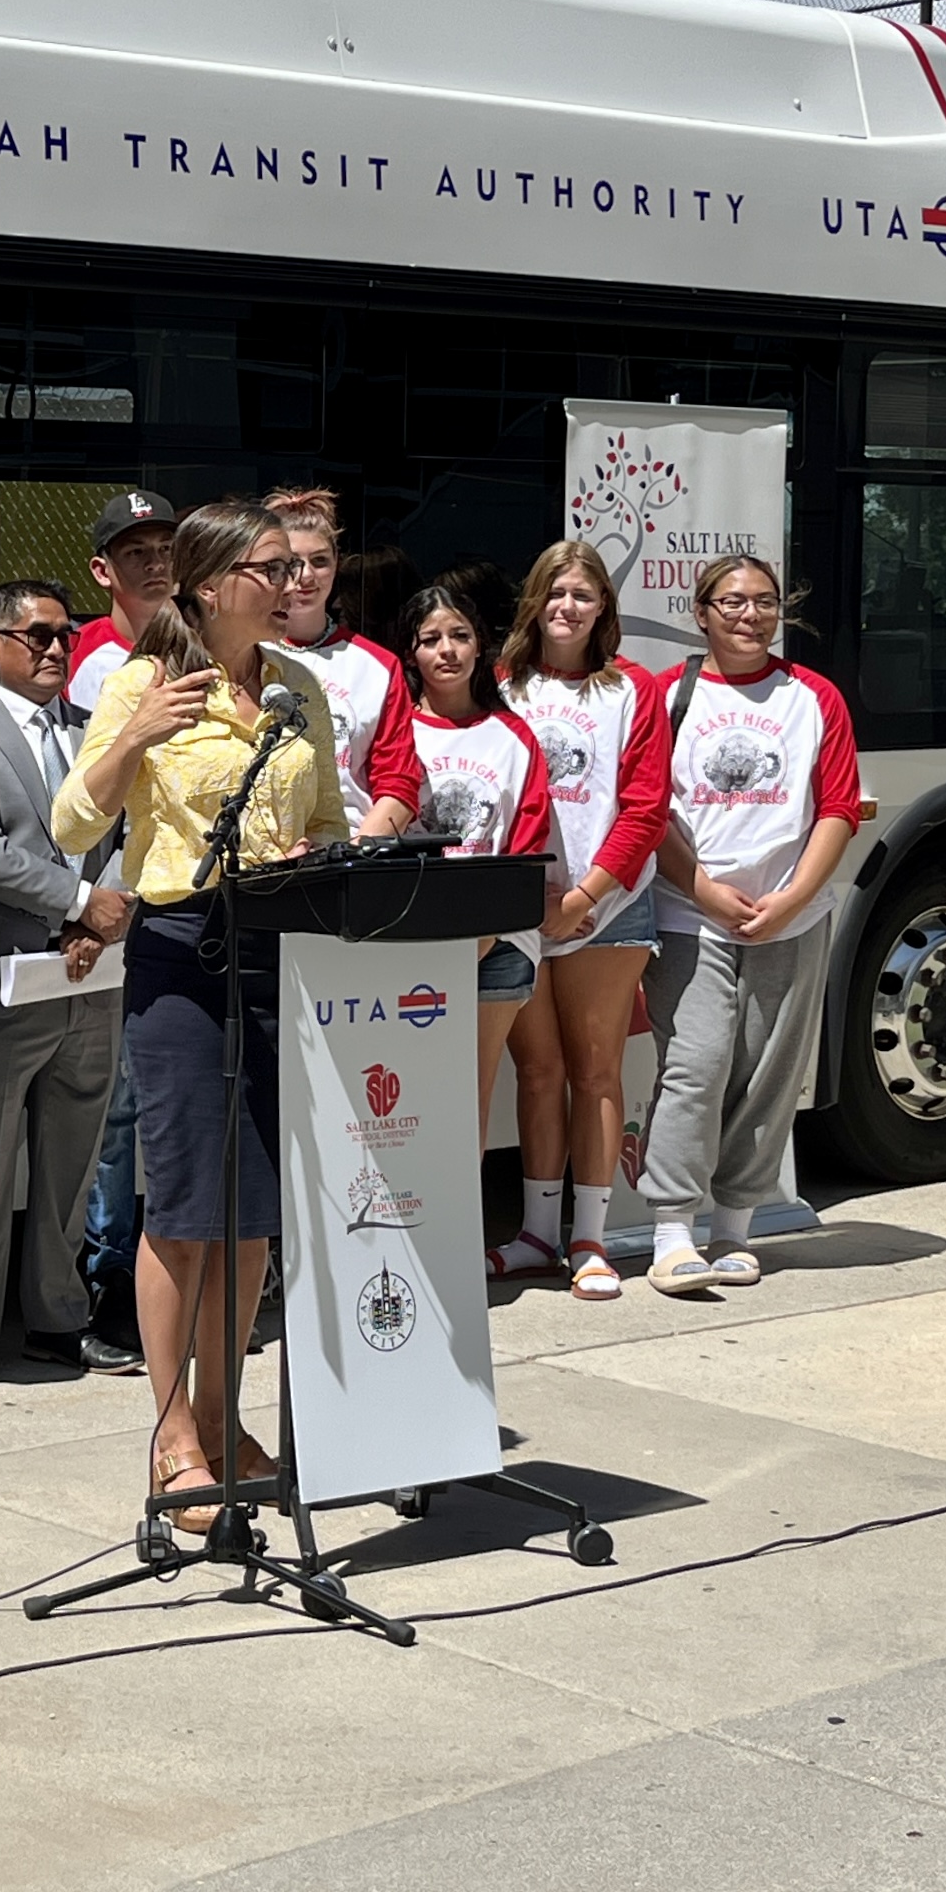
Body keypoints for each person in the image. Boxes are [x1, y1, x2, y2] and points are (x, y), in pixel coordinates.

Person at [52, 501, 346, 1523]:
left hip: (277, 954)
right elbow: (71, 818)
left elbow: (326, 821)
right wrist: (132, 735)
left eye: (299, 566)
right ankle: (171, 1430)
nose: (293, 582)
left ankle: (226, 1418)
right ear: (212, 582)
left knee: (250, 1211)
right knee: (181, 1207)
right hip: (181, 955)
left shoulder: (299, 687)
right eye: (273, 567)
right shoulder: (143, 680)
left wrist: (318, 858)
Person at [640, 552, 867, 1296]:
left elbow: (836, 807)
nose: (748, 615)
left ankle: (734, 1227)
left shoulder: (813, 696)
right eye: (731, 602)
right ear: (701, 612)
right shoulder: (667, 696)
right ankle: (671, 1232)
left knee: (767, 1072)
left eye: (763, 602)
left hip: (791, 917)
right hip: (688, 915)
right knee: (696, 1065)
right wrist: (702, 890)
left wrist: (796, 898)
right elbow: (651, 811)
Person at [0, 581, 131, 1391]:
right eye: (37, 635)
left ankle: (56, 1317)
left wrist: (101, 918)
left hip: (90, 975)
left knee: (70, 1161)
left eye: (65, 634)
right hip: (1, 975)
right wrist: (80, 901)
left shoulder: (93, 734)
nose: (55, 649)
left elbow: (129, 831)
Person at [495, 540, 672, 1299]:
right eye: (555, 593)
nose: (567, 608)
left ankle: (590, 1236)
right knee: (535, 1071)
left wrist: (584, 898)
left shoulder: (632, 690)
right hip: (515, 909)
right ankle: (535, 1233)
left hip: (608, 907)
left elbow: (644, 807)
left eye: (583, 595)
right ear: (534, 602)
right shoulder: (502, 684)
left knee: (595, 1071)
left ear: (604, 609)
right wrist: (531, 901)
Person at [358, 565, 558, 1150]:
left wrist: (481, 938)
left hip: (493, 948)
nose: (447, 650)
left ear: (480, 645)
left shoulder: (513, 736)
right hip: (404, 944)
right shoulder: (395, 736)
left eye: (460, 636)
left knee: (467, 1100)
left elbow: (526, 845)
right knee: (399, 1105)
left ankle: (458, 1241)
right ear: (410, 653)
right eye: (429, 639)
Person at [69, 490, 174, 1373]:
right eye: (131, 550)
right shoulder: (92, 664)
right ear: (102, 570)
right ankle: (106, 1285)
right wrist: (96, 909)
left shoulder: (196, 650)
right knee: (114, 1116)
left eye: (163, 545)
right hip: (112, 912)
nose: (152, 561)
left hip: (177, 911)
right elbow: (90, 812)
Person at [264, 488, 403, 823]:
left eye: (320, 561)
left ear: (337, 563)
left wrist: (354, 853)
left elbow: (398, 783)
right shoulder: (242, 651)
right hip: (259, 853)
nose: (307, 576)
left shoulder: (379, 666)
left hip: (349, 852)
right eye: (294, 563)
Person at [66, 489, 177, 713]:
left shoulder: (210, 642)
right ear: (102, 572)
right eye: (136, 552)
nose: (155, 563)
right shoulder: (72, 653)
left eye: (166, 549)